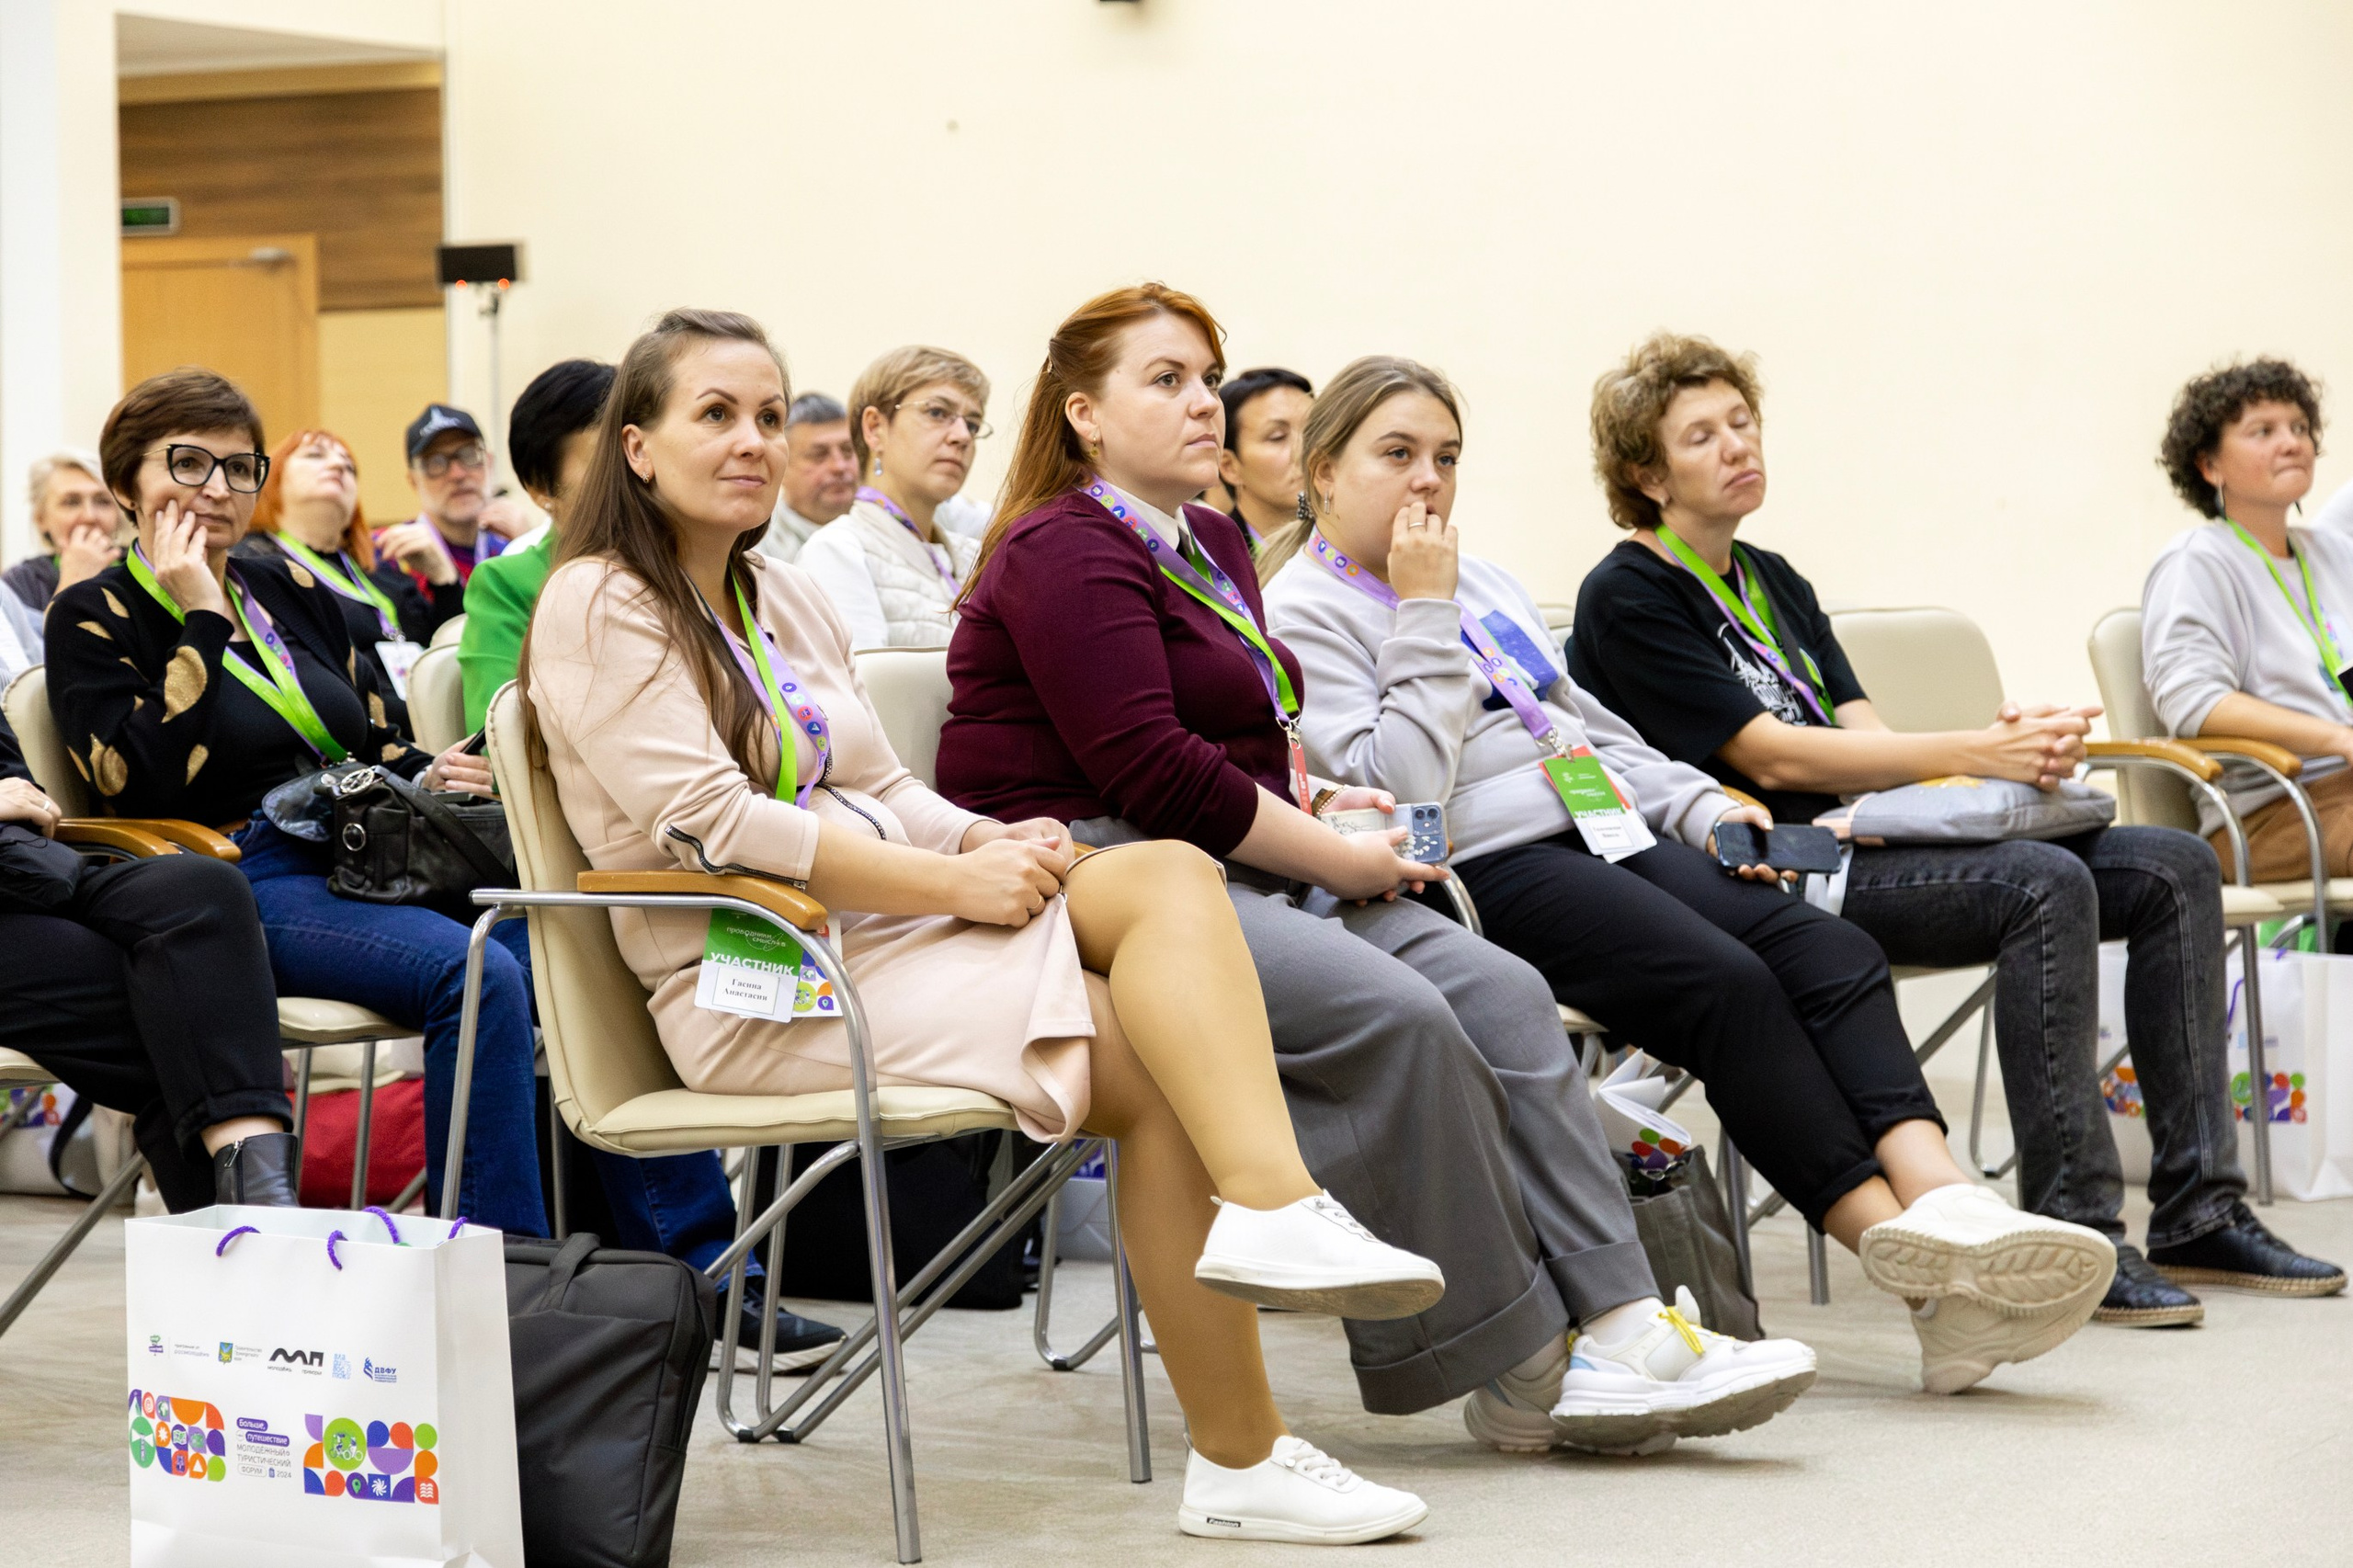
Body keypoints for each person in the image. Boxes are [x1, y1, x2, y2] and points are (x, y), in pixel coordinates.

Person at [526, 306, 1452, 1544]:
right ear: (637, 448)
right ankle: (1245, 1433)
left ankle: (1270, 1227)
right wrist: (948, 886)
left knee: (1168, 873)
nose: (751, 439)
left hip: (879, 934)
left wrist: (978, 840)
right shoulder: (598, 599)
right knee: (1149, 1069)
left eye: (767, 414)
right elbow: (711, 822)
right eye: (716, 415)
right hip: (758, 973)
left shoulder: (778, 594)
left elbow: (884, 784)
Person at [941, 282, 1818, 1458]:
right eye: (1167, 380)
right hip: (1110, 874)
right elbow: (1151, 770)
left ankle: (1620, 1322)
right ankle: (1520, 1363)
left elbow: (1246, 747)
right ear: (1084, 414)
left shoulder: (1208, 540)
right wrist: (1332, 847)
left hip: (1240, 852)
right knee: (1396, 1013)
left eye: (1209, 378)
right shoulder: (1062, 545)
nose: (1203, 403)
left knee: (1503, 991)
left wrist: (1319, 802)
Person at [1267, 355, 2122, 1391]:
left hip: (1599, 829)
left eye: (1446, 458)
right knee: (1725, 985)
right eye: (1397, 454)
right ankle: (1927, 1284)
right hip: (1482, 867)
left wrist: (1701, 806)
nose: (1427, 482)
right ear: (1322, 472)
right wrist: (1422, 612)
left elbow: (1587, 734)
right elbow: (1402, 791)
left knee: (1826, 948)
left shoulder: (1482, 580)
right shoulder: (1304, 611)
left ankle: (1945, 1202)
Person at [1567, 332, 2344, 1315]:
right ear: (1646, 474)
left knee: (2172, 865)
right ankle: (2078, 1229)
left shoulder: (1772, 577)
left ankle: (2198, 1210)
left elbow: (1867, 736)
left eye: (1742, 422)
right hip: (1773, 867)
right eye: (1701, 436)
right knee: (2039, 883)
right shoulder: (1628, 593)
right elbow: (1773, 758)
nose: (1737, 445)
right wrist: (1977, 749)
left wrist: (2000, 755)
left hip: (1872, 836)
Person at [43, 367, 545, 1234]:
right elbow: (139, 779)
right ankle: (502, 1266)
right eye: (188, 464)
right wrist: (201, 618)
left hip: (365, 844)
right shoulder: (95, 613)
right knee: (478, 972)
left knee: (562, 943)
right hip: (234, 877)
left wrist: (434, 770)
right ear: (127, 484)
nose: (217, 490)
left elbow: (370, 736)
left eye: (240, 469)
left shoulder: (289, 590)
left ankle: (651, 1263)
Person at [0, 705, 299, 1209]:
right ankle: (259, 1217)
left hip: (26, 876)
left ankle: (258, 1207)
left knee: (206, 886)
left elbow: (23, 796)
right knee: (183, 1015)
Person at [2144, 359, 2353, 897]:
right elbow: (2193, 701)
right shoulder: (2198, 561)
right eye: (2264, 431)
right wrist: (2338, 738)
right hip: (2274, 809)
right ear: (2210, 465)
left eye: (2300, 428)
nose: (2292, 443)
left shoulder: (2332, 553)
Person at [234, 428, 430, 729]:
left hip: (428, 722)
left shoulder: (381, 571)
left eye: (349, 467)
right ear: (272, 478)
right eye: (315, 455)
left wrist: (444, 580)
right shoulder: (251, 562)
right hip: (359, 733)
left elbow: (447, 653)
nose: (338, 466)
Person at [457, 360, 614, 733]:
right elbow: (498, 741)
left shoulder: (690, 561)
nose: (633, 475)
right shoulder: (508, 585)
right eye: (605, 464)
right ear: (541, 488)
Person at [794, 347, 987, 647]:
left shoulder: (978, 558)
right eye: (937, 412)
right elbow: (864, 678)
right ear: (875, 428)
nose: (962, 436)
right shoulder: (837, 551)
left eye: (972, 424)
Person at [377, 403, 525, 600]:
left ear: (489, 463)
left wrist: (531, 546)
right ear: (413, 481)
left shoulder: (512, 549)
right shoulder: (392, 555)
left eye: (469, 455)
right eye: (435, 463)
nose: (458, 474)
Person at [754, 392, 860, 563]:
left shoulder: (885, 529)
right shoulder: (756, 550)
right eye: (819, 455)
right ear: (781, 466)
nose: (839, 466)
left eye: (848, 451)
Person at [6, 450, 119, 611]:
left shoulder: (142, 564)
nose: (89, 516)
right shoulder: (20, 582)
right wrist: (74, 580)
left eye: (103, 501)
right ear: (41, 518)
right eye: (71, 502)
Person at [1218, 367, 1313, 554]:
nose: (1306, 449)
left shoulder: (1355, 544)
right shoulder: (1213, 559)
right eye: (1278, 437)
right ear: (1229, 467)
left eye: (1314, 430)